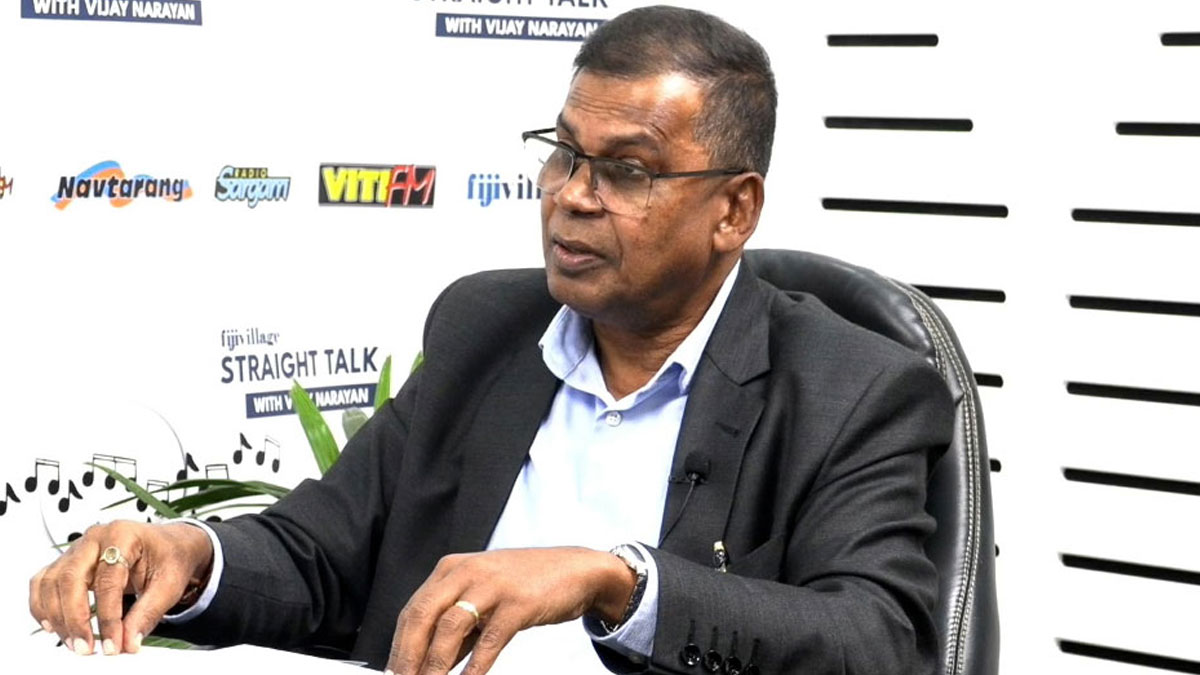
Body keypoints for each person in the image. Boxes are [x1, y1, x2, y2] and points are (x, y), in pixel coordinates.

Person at [28, 6, 953, 674]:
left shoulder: (854, 386)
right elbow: (321, 554)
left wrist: (617, 583)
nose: (572, 195)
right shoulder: (486, 329)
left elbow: (877, 642)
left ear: (734, 210)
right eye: (565, 152)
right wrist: (190, 557)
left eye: (627, 170)